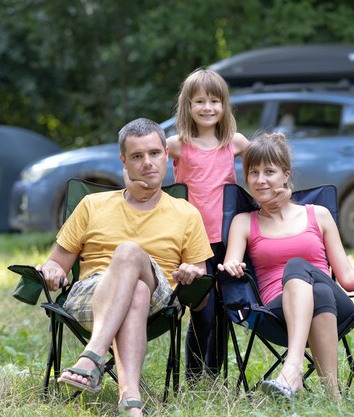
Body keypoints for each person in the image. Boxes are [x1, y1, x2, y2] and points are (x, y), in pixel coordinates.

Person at [38, 118, 213, 416]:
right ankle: (130, 399)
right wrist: (53, 269)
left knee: (130, 253)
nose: (147, 163)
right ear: (123, 160)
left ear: (166, 156)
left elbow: (203, 296)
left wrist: (192, 274)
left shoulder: (186, 213)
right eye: (137, 156)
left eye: (154, 153)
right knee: (137, 290)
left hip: (160, 301)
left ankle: (91, 357)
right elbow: (57, 261)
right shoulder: (93, 205)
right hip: (91, 295)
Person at [127, 68, 290, 381]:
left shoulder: (235, 142)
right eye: (199, 101)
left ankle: (213, 374)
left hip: (226, 241)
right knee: (201, 305)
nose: (207, 108)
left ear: (224, 106)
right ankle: (192, 373)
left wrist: (281, 183)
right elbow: (139, 158)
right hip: (189, 240)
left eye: (215, 101)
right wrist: (135, 185)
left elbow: (269, 155)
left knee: (221, 308)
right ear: (187, 105)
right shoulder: (176, 145)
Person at [217, 131, 354, 399]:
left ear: (285, 174)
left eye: (269, 171)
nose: (260, 180)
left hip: (338, 307)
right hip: (277, 312)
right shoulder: (244, 221)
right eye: (253, 172)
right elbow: (231, 263)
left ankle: (291, 368)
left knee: (298, 266)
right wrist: (234, 266)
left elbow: (348, 279)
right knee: (318, 292)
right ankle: (334, 399)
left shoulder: (318, 215)